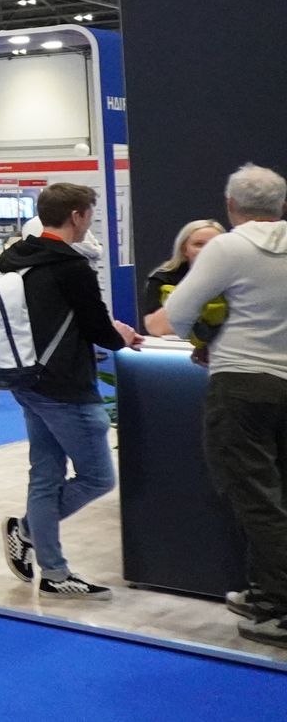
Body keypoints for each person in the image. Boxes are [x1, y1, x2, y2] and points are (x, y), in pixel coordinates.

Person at [148, 164, 287, 645]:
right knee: (276, 496)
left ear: (231, 206)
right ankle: (266, 591)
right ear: (282, 206)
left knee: (256, 499)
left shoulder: (228, 247)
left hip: (242, 387)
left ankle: (278, 608)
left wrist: (191, 335)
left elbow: (176, 314)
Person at [0, 182, 139, 601]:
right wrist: (123, 337)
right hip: (66, 385)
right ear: (76, 215)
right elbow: (98, 327)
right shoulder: (71, 267)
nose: (90, 221)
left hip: (27, 378)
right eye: (89, 213)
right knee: (97, 477)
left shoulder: (15, 257)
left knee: (45, 475)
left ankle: (53, 569)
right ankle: (28, 533)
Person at [140, 218, 226, 320]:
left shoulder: (237, 277)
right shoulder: (163, 279)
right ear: (184, 249)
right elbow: (152, 324)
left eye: (213, 244)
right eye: (198, 244)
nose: (206, 249)